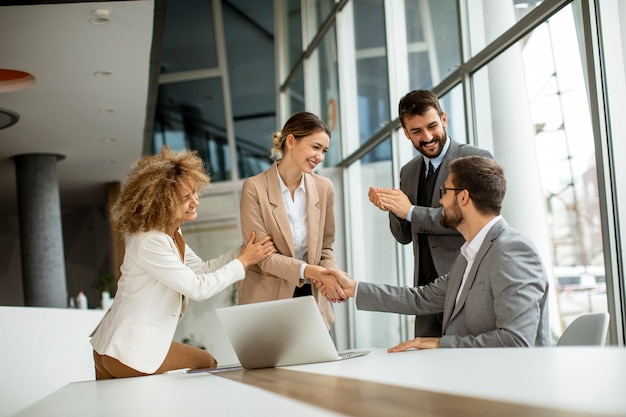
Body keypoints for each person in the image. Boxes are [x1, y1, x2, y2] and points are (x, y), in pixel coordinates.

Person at [319, 156, 550, 349]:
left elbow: (516, 341)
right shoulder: (469, 256)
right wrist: (353, 288)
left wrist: (442, 344)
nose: (440, 199)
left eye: (444, 191)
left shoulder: (512, 250)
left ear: (463, 197)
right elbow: (420, 299)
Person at [90, 146, 275, 379]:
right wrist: (243, 262)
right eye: (185, 198)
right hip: (128, 351)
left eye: (195, 193)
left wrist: (243, 252)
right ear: (162, 203)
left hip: (112, 349)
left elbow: (200, 270)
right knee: (205, 362)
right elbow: (197, 287)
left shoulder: (171, 236)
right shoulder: (150, 241)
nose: (195, 202)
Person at [368, 89, 493, 338]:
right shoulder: (408, 172)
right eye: (416, 131)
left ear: (444, 119)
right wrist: (392, 207)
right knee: (427, 368)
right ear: (406, 133)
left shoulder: (476, 158)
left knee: (469, 365)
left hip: (466, 289)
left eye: (432, 126)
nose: (427, 137)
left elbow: (469, 219)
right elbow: (404, 236)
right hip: (424, 295)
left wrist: (411, 211)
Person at [237, 111, 346, 329]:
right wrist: (312, 271)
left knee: (317, 362)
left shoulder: (324, 188)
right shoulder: (254, 188)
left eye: (324, 151)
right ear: (291, 141)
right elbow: (262, 257)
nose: (321, 157)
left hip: (311, 297)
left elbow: (325, 248)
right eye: (315, 147)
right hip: (266, 301)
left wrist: (330, 275)